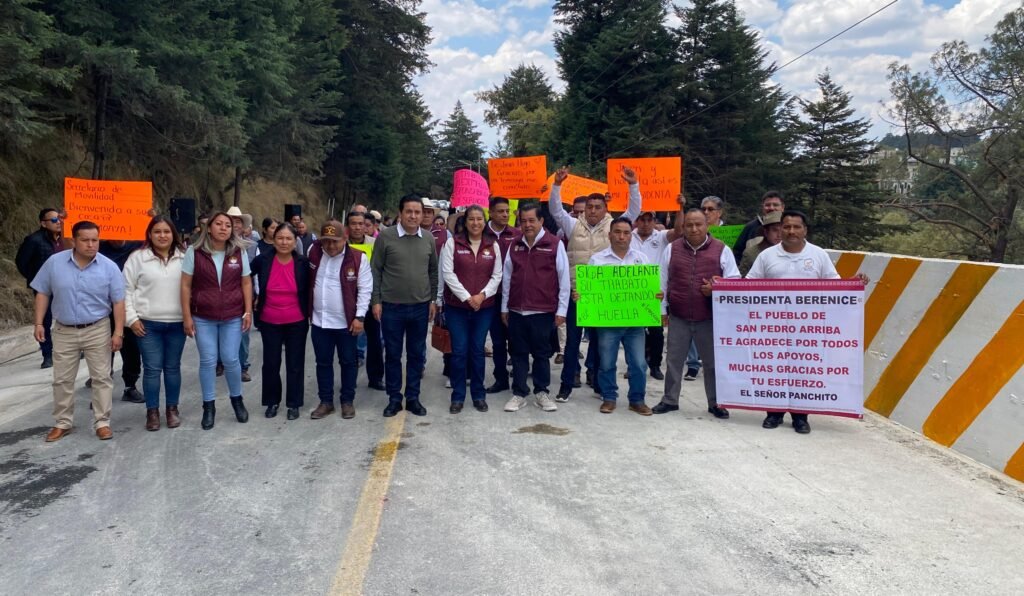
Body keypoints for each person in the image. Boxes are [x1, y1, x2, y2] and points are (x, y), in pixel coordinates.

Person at [549, 165, 643, 403]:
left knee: (601, 343)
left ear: (605, 209)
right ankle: (566, 385)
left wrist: (633, 185)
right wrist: (557, 185)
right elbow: (555, 210)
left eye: (597, 207)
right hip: (577, 294)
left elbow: (634, 210)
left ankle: (599, 383)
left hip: (604, 297)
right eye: (589, 207)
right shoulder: (572, 224)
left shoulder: (614, 227)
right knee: (572, 343)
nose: (592, 210)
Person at [746, 210, 840, 434]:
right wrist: (723, 287)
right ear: (780, 229)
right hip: (773, 327)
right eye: (786, 227)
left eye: (796, 227)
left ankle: (800, 417)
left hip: (807, 329)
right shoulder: (767, 256)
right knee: (774, 370)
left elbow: (835, 285)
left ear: (805, 230)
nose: (791, 231)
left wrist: (855, 284)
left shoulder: (818, 255)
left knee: (803, 372)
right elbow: (748, 284)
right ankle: (774, 413)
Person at [31, 221, 125, 442]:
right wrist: (38, 323)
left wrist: (118, 332)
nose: (91, 245)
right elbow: (42, 292)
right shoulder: (54, 263)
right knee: (62, 379)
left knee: (101, 377)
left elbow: (118, 301)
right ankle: (63, 422)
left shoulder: (109, 267)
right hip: (64, 330)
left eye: (95, 240)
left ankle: (102, 422)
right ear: (74, 240)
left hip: (97, 328)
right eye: (85, 240)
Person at [653, 208, 740, 419]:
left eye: (698, 224)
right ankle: (670, 400)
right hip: (679, 315)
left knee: (712, 363)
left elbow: (734, 280)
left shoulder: (722, 249)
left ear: (707, 225)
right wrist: (662, 309)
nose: (694, 229)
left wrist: (716, 288)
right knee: (674, 361)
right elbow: (662, 281)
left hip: (709, 317)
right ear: (683, 227)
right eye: (689, 225)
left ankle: (716, 402)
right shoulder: (671, 249)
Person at [181, 211, 254, 430]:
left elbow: (246, 283)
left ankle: (237, 400)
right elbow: (185, 285)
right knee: (208, 361)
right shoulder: (195, 252)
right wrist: (187, 317)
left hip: (232, 315)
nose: (223, 228)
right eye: (219, 224)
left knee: (231, 359)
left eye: (228, 225)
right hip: (203, 316)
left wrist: (248, 311)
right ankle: (209, 407)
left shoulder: (238, 252)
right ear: (209, 227)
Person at [371, 195, 439, 417]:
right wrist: (376, 300)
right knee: (392, 354)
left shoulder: (428, 238)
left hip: (420, 306)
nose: (413, 216)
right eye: (409, 211)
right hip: (392, 307)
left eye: (417, 212)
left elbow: (433, 271)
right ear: (400, 213)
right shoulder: (386, 237)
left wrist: (432, 300)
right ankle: (394, 399)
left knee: (416, 355)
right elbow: (376, 270)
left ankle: (413, 398)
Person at [584, 217, 659, 415]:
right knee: (607, 363)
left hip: (635, 323)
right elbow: (589, 290)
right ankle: (609, 397)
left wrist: (656, 295)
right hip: (607, 323)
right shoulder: (597, 260)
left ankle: (637, 400)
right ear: (609, 235)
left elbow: (650, 289)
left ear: (630, 236)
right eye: (617, 232)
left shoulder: (641, 259)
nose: (621, 236)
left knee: (639, 364)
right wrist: (581, 296)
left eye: (626, 233)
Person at [500, 203, 569, 413]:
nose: (527, 225)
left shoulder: (554, 244)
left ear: (541, 221)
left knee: (541, 354)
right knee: (518, 353)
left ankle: (541, 392)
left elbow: (564, 279)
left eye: (532, 220)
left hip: (543, 311)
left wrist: (562, 310)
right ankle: (519, 393)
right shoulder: (515, 244)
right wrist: (504, 307)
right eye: (523, 221)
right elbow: (507, 277)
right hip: (517, 310)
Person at [123, 216, 186, 431]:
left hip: (177, 324)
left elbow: (193, 288)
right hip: (147, 325)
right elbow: (126, 290)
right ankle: (152, 412)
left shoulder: (185, 257)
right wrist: (131, 319)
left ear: (173, 234)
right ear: (149, 234)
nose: (162, 236)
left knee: (172, 368)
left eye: (166, 231)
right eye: (157, 231)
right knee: (151, 369)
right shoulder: (137, 258)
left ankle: (172, 409)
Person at [440, 205, 503, 414]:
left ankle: (478, 395)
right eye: (471, 219)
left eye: (479, 219)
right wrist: (467, 297)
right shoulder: (452, 243)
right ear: (465, 222)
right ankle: (458, 396)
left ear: (484, 222)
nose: (475, 223)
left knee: (477, 351)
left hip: (483, 308)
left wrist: (482, 296)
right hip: (457, 307)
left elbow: (497, 275)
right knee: (459, 351)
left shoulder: (492, 245)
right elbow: (448, 274)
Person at [308, 220, 372, 420]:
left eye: (335, 241)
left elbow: (365, 290)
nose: (331, 246)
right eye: (326, 241)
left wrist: (359, 317)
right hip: (320, 321)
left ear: (345, 238)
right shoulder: (314, 253)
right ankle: (326, 401)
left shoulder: (358, 258)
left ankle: (347, 401)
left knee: (348, 362)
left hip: (346, 323)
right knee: (323, 363)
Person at [251, 223, 310, 420]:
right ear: (273, 240)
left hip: (297, 321)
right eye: (280, 238)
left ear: (295, 241)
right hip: (269, 320)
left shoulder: (303, 263)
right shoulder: (262, 260)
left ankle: (294, 404)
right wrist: (252, 299)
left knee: (295, 363)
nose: (284, 242)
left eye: (288, 238)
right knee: (271, 363)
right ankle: (272, 402)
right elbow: (245, 277)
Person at [630, 201, 685, 380]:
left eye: (649, 219)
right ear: (636, 221)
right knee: (634, 331)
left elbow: (679, 232)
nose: (646, 223)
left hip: (656, 293)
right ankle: (634, 365)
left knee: (656, 332)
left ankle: (655, 365)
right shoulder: (629, 236)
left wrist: (679, 209)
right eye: (642, 219)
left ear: (654, 221)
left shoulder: (661, 236)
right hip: (632, 293)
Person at [16, 208, 66, 368]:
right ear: (43, 223)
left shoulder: (65, 239)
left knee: (68, 317)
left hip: (65, 286)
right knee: (45, 320)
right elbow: (21, 262)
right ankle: (47, 354)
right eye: (54, 220)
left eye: (59, 219)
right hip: (45, 288)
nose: (58, 222)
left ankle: (74, 349)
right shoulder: (34, 240)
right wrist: (36, 280)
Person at [482, 197, 522, 395]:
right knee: (497, 341)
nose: (505, 215)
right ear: (490, 213)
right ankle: (501, 378)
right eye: (500, 211)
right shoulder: (481, 233)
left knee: (516, 339)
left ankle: (520, 377)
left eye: (507, 211)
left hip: (513, 295)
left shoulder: (517, 234)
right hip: (489, 296)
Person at [98, 238, 145, 401]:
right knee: (102, 350)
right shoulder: (98, 248)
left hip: (128, 305)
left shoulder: (137, 245)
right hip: (103, 306)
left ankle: (130, 386)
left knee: (132, 349)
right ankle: (101, 391)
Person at [345, 212, 382, 386]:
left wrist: (377, 300)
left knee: (375, 341)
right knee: (348, 342)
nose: (358, 227)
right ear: (348, 226)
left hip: (370, 298)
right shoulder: (341, 243)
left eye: (361, 224)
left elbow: (379, 271)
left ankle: (375, 378)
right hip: (347, 299)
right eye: (354, 223)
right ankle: (349, 379)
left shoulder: (375, 244)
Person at [226, 206, 254, 382]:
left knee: (243, 333)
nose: (234, 225)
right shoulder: (215, 245)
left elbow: (253, 275)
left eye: (237, 222)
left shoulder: (251, 246)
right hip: (222, 297)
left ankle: (243, 366)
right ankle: (222, 363)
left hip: (244, 295)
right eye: (231, 221)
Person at [732, 191, 784, 263]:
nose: (771, 208)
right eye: (767, 205)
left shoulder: (791, 226)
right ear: (762, 207)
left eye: (775, 205)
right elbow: (737, 254)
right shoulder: (750, 227)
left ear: (782, 207)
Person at [738, 210, 782, 276]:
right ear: (766, 231)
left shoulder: (790, 251)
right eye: (775, 230)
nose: (779, 235)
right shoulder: (751, 254)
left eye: (782, 230)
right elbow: (742, 279)